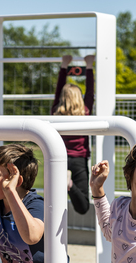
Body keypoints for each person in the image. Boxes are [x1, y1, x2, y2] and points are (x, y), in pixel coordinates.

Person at [51, 54, 95, 215]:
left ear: (62, 98)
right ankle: (69, 184)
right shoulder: (86, 112)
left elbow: (58, 89)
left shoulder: (55, 112)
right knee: (83, 207)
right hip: (78, 160)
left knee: (53, 203)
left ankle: (66, 182)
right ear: (79, 99)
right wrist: (89, 66)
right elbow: (90, 92)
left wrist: (64, 65)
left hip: (57, 158)